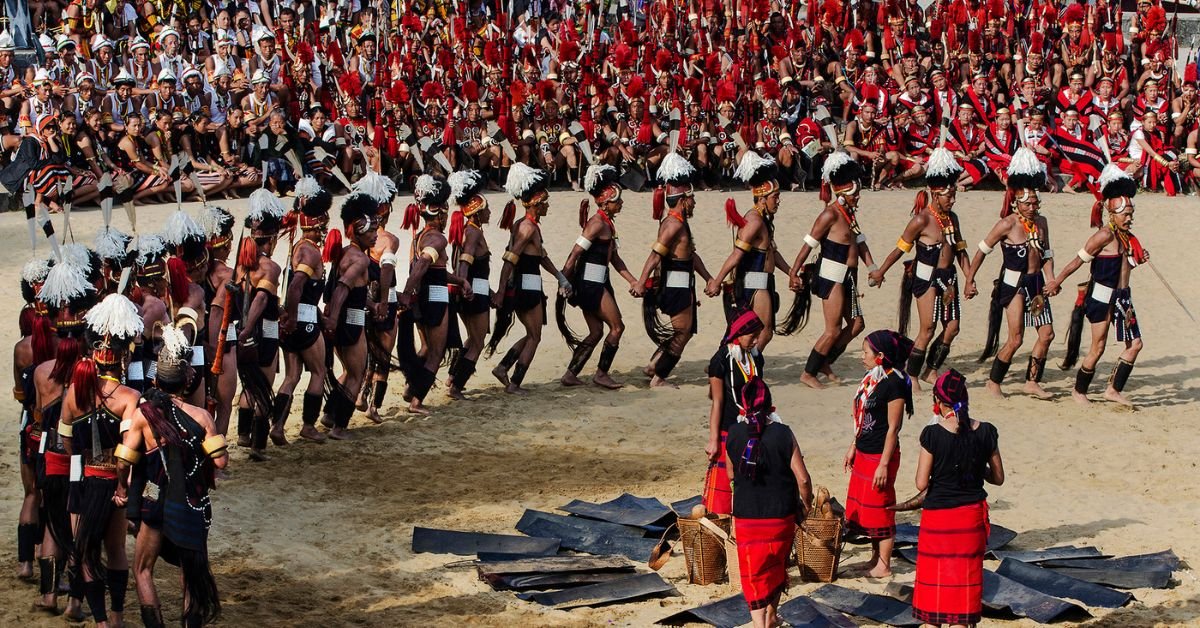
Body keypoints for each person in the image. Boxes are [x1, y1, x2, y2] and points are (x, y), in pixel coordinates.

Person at [117, 323, 227, 628]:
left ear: (156, 379)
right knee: (190, 573)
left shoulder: (142, 415)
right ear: (187, 381)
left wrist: (122, 490)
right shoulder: (202, 417)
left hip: (155, 505)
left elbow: (125, 459)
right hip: (191, 504)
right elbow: (220, 462)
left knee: (142, 570)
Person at [60, 293, 143, 628]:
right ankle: (117, 616)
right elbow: (129, 450)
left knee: (84, 551)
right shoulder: (129, 398)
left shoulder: (72, 393)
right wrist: (124, 485)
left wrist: (82, 466)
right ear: (121, 356)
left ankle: (98, 621)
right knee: (116, 551)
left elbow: (66, 442)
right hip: (114, 485)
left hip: (82, 479)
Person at [868, 148, 970, 385]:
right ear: (936, 194)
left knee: (952, 328)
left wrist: (969, 277)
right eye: (949, 196)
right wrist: (881, 271)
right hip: (926, 278)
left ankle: (930, 369)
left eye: (954, 196)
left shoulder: (952, 218)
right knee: (928, 328)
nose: (953, 200)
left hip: (949, 279)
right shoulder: (921, 219)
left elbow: (960, 250)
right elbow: (900, 249)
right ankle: (911, 374)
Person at [1046, 164, 1146, 407]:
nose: (1130, 218)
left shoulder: (1125, 237)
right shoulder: (1103, 236)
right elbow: (1077, 261)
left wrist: (1136, 261)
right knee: (1098, 346)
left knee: (1135, 345)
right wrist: (1056, 281)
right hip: (1101, 296)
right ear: (1113, 214)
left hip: (1123, 297)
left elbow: (1123, 269)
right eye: (1126, 215)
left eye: (1131, 214)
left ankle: (1112, 390)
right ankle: (1079, 391)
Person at [912, 369, 1004, 628]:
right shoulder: (986, 432)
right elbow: (997, 477)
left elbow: (921, 483)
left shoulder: (932, 435)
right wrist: (973, 466)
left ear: (939, 402)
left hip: (938, 521)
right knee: (962, 598)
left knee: (934, 599)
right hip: (969, 520)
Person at [963, 147, 1055, 399]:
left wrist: (1051, 278)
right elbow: (981, 251)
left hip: (1036, 284)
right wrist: (970, 279)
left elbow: (1046, 253)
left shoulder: (1042, 222)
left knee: (1047, 334)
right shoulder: (1007, 224)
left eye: (1036, 202)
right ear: (1017, 203)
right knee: (1015, 339)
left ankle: (1032, 381)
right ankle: (994, 382)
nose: (1034, 207)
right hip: (1013, 284)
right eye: (1029, 203)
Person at [726, 376, 813, 627]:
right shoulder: (783, 433)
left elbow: (731, 474)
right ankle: (771, 616)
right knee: (777, 564)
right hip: (780, 516)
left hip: (747, 517)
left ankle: (759, 622)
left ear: (743, 404)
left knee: (753, 572)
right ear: (770, 404)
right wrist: (805, 506)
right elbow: (803, 479)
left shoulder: (733, 433)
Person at [789, 151, 875, 389]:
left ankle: (825, 362)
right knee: (833, 329)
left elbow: (859, 242)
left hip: (849, 277)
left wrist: (873, 267)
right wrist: (793, 272)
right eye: (856, 194)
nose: (858, 198)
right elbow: (809, 244)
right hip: (831, 274)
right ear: (844, 193)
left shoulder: (849, 214)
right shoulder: (829, 214)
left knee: (857, 324)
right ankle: (809, 372)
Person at [490, 163, 571, 394]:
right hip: (527, 286)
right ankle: (514, 382)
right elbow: (510, 259)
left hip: (528, 283)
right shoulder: (526, 228)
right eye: (545, 203)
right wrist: (501, 290)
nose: (547, 207)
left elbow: (541, 257)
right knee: (535, 336)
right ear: (536, 203)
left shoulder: (525, 226)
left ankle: (504, 367)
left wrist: (560, 277)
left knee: (532, 334)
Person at [558, 164, 638, 389]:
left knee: (596, 332)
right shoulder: (596, 223)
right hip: (590, 284)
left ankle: (570, 374)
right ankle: (601, 374)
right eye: (618, 200)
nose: (621, 203)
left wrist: (632, 280)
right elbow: (575, 252)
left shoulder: (607, 224)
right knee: (617, 327)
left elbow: (615, 259)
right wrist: (564, 280)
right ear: (606, 201)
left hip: (598, 282)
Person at [635, 152, 711, 388]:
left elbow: (691, 255)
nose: (694, 202)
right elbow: (655, 255)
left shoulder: (680, 223)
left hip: (683, 283)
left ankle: (654, 365)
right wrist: (641, 281)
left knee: (683, 330)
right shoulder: (673, 224)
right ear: (683, 199)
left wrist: (709, 278)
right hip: (675, 284)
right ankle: (659, 377)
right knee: (683, 332)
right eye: (692, 197)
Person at [845, 330, 914, 578]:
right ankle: (875, 558)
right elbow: (862, 416)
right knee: (868, 510)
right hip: (865, 451)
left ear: (880, 356)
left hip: (880, 455)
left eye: (866, 352)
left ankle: (884, 564)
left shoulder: (894, 384)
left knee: (881, 508)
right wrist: (854, 445)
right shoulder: (872, 377)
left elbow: (893, 428)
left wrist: (883, 464)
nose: (862, 356)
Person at [397, 175, 469, 414]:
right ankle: (416, 400)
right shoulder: (437, 238)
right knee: (436, 353)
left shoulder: (419, 236)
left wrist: (459, 280)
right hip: (434, 299)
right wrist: (407, 292)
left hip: (426, 296)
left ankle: (412, 387)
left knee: (427, 348)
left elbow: (435, 272)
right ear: (440, 214)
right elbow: (422, 266)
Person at [706, 152, 791, 353]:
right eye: (775, 197)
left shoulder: (763, 220)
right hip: (754, 282)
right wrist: (718, 280)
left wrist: (791, 272)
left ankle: (735, 362)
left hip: (762, 280)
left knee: (749, 330)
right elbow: (737, 255)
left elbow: (772, 252)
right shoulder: (754, 221)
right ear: (762, 199)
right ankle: (742, 364)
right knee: (763, 331)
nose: (778, 201)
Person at [274, 177, 331, 443]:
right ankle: (308, 426)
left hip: (298, 318)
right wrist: (295, 316)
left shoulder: (297, 247)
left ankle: (277, 426)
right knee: (318, 372)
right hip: (303, 322)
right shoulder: (310, 253)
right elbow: (297, 286)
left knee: (292, 375)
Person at [320, 193, 376, 438]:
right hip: (350, 322)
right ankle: (339, 427)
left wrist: (373, 306)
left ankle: (330, 413)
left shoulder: (344, 252)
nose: (375, 235)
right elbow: (342, 287)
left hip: (344, 319)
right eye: (372, 231)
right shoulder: (360, 259)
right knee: (357, 374)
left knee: (348, 371)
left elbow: (354, 290)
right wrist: (333, 318)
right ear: (360, 231)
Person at [234, 189, 284, 460]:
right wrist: (247, 329)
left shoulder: (242, 266)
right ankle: (258, 446)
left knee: (249, 385)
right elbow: (261, 300)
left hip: (245, 329)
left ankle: (243, 434)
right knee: (264, 385)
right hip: (262, 330)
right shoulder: (270, 267)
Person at [703, 309, 766, 516]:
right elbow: (717, 401)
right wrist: (713, 440)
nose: (756, 341)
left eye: (758, 336)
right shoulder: (721, 360)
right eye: (752, 336)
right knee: (721, 495)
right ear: (739, 332)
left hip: (753, 428)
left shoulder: (756, 358)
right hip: (728, 430)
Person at [446, 169, 492, 399]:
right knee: (477, 342)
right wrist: (465, 285)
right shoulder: (472, 233)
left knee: (472, 339)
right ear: (477, 211)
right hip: (473, 293)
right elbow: (465, 262)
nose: (490, 212)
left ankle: (453, 376)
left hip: (473, 290)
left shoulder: (468, 230)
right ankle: (456, 386)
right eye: (487, 209)